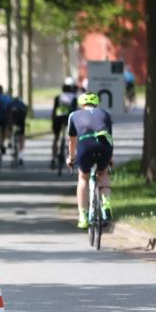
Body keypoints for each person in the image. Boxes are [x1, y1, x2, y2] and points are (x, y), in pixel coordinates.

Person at [66, 92, 113, 229]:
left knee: (83, 177)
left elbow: (72, 141)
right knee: (103, 173)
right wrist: (110, 158)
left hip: (85, 145)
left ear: (82, 104)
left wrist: (71, 158)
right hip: (104, 146)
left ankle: (83, 216)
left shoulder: (74, 115)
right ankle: (106, 204)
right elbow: (110, 137)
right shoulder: (105, 114)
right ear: (96, 103)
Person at [51, 78, 79, 169]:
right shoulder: (73, 98)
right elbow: (75, 111)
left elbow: (54, 110)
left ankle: (53, 158)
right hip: (68, 118)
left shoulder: (58, 97)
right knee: (71, 137)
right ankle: (70, 154)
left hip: (57, 118)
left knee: (56, 137)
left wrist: (53, 120)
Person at [7, 95, 28, 165]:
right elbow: (25, 115)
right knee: (21, 136)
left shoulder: (10, 104)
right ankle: (21, 155)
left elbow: (7, 114)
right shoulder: (23, 105)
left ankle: (9, 141)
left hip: (11, 121)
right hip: (20, 122)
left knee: (9, 128)